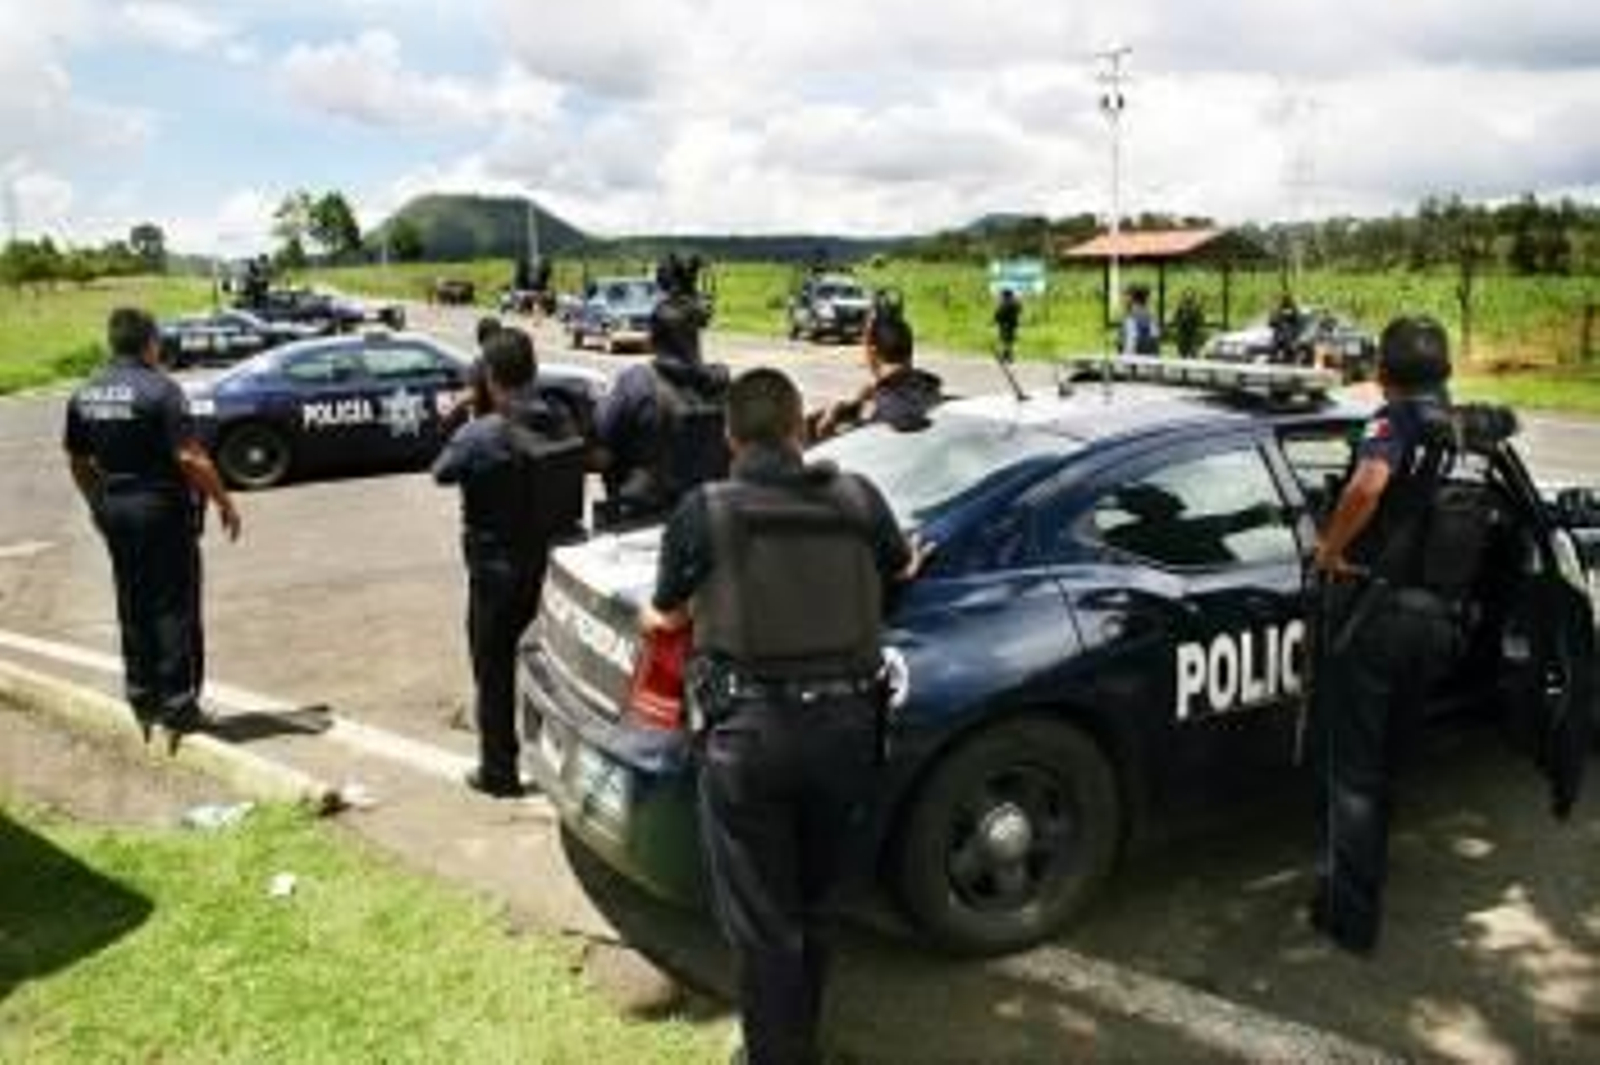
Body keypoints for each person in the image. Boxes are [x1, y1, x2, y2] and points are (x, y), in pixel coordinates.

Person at [640, 368, 928, 1065]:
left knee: (765, 922)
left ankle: (776, 1054)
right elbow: (900, 570)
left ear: (731, 437)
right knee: (821, 906)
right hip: (849, 731)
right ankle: (798, 1041)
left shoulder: (702, 510)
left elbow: (666, 616)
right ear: (800, 429)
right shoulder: (859, 495)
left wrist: (650, 617)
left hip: (750, 740)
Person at [1308, 314, 1462, 955]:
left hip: (1375, 613)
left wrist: (1327, 548)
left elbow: (1368, 485)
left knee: (1354, 773)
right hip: (1438, 617)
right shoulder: (1461, 425)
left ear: (1382, 374)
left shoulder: (1393, 421)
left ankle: (1350, 918)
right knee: (1392, 757)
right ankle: (1373, 873)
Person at [64, 308, 242, 739]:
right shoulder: (161, 390)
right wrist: (224, 501)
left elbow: (77, 458)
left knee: (132, 600)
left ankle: (143, 698)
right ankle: (179, 705)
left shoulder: (85, 392)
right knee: (173, 606)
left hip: (116, 507)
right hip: (159, 508)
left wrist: (97, 505)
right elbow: (188, 456)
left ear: (112, 342)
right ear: (150, 342)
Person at [433, 327, 584, 797]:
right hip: (556, 564)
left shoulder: (482, 433)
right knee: (560, 667)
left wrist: (463, 414)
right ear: (533, 372)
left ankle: (498, 770)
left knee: (494, 669)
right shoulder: (561, 418)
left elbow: (443, 472)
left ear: (491, 376)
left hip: (498, 571)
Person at [593, 288, 729, 525]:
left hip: (643, 521)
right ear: (696, 340)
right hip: (708, 521)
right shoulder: (723, 386)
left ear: (652, 340)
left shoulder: (636, 383)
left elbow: (599, 450)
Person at [808, 295, 943, 440]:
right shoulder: (932, 390)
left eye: (863, 343)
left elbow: (857, 454)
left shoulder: (880, 408)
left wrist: (826, 430)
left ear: (872, 352)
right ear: (909, 350)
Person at [1119, 284, 1160, 355]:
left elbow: (1130, 343)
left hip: (1137, 355)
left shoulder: (1131, 319)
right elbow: (1155, 339)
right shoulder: (1150, 317)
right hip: (1149, 355)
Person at [1172, 289, 1206, 359]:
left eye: (1190, 298)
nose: (1188, 300)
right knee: (1183, 355)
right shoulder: (1181, 308)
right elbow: (1175, 319)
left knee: (1193, 354)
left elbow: (1201, 320)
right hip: (1183, 335)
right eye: (1187, 298)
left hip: (1192, 335)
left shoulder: (1195, 308)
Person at [994, 288, 1022, 362]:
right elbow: (1019, 312)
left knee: (1003, 339)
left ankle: (1004, 355)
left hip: (1004, 324)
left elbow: (999, 314)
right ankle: (1009, 355)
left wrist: (996, 321)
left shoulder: (1003, 304)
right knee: (1010, 340)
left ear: (1005, 295)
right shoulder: (1016, 303)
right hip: (1013, 324)